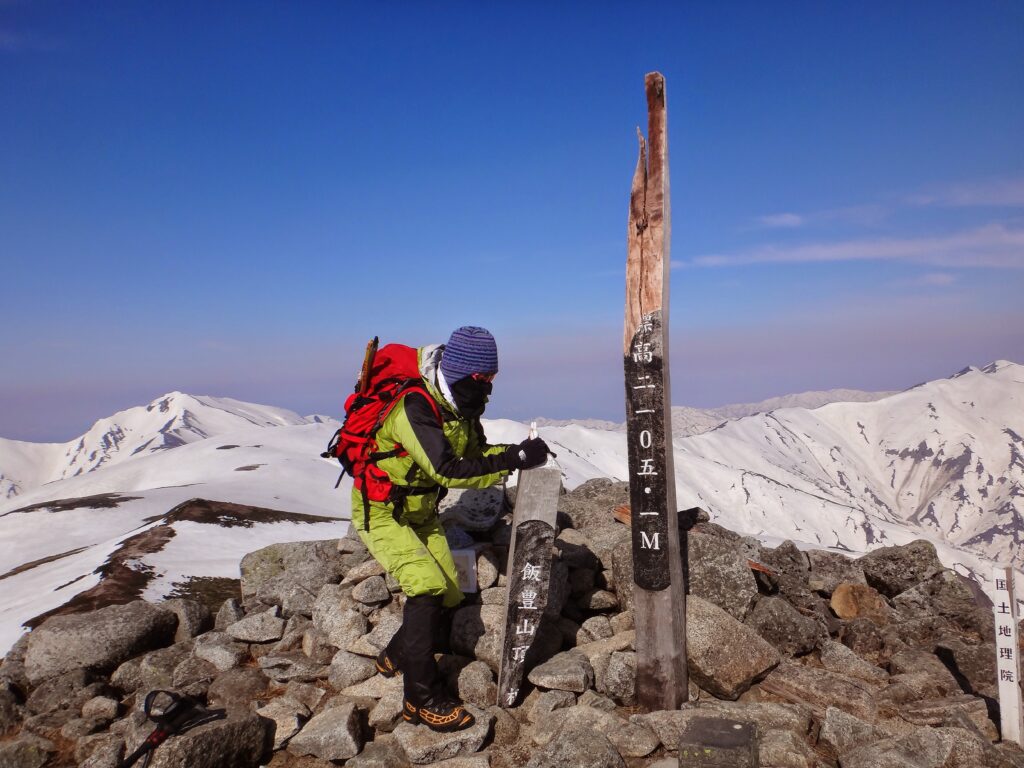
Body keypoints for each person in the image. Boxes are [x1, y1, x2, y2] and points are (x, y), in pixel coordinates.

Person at [352, 326, 549, 732]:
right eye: (483, 381)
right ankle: (420, 699)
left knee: (451, 591)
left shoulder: (459, 408)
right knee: (425, 585)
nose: (488, 390)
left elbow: (478, 456)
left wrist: (518, 455)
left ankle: (394, 654)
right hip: (383, 512)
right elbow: (448, 469)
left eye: (492, 381)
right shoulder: (415, 407)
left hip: (422, 512)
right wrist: (510, 460)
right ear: (462, 372)